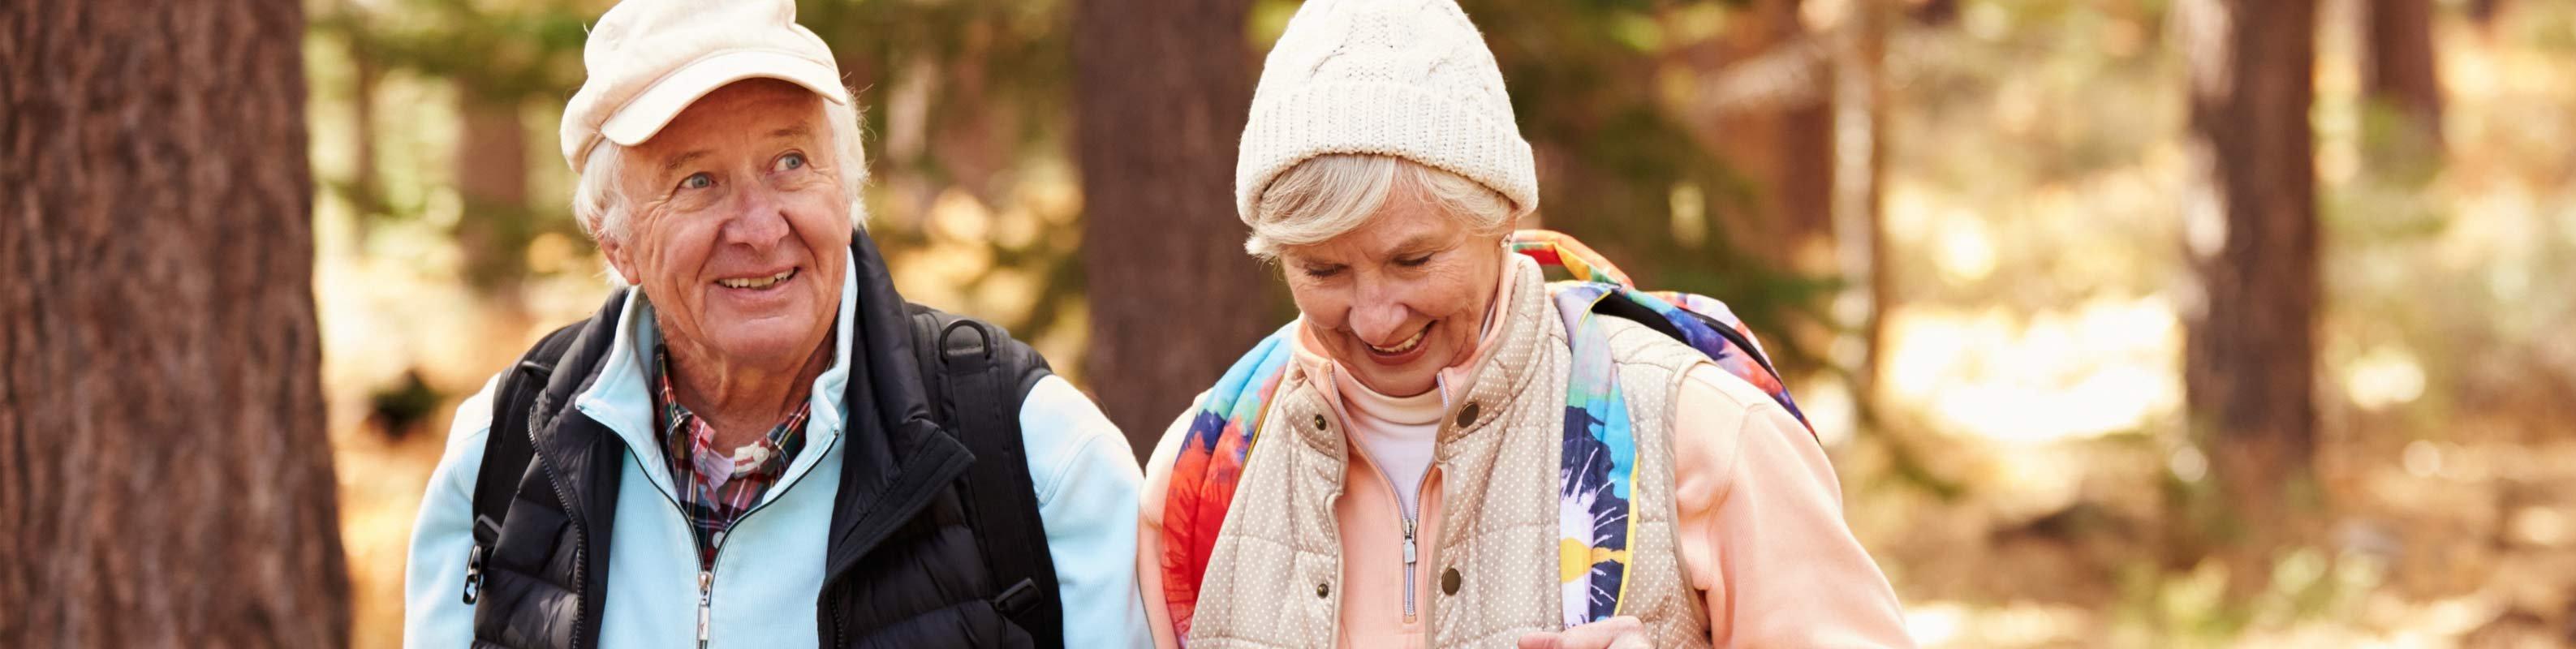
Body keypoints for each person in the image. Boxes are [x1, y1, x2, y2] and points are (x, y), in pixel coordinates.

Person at [1131, 0, 1916, 647]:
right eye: (1324, 271)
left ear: (1504, 214)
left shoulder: (1697, 430)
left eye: (1412, 262)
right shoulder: (1206, 473)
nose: (1374, 316)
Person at [399, 1, 1148, 646]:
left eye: (790, 162)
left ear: (848, 187)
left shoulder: (1037, 451)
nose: (759, 228)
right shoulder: (500, 456)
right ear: (614, 239)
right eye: (697, 180)